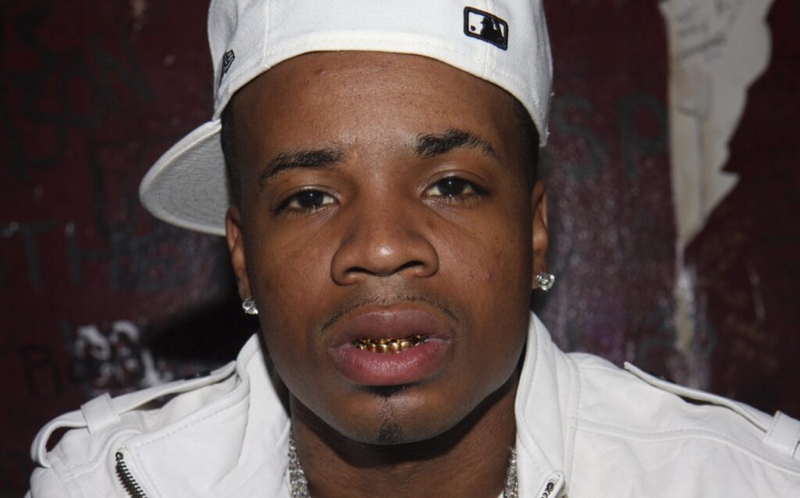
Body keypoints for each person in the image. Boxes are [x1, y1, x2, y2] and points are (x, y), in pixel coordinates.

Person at [27, 0, 800, 496]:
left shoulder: (737, 482)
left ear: (535, 230)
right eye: (309, 196)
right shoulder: (111, 485)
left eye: (452, 185)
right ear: (243, 256)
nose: (383, 247)